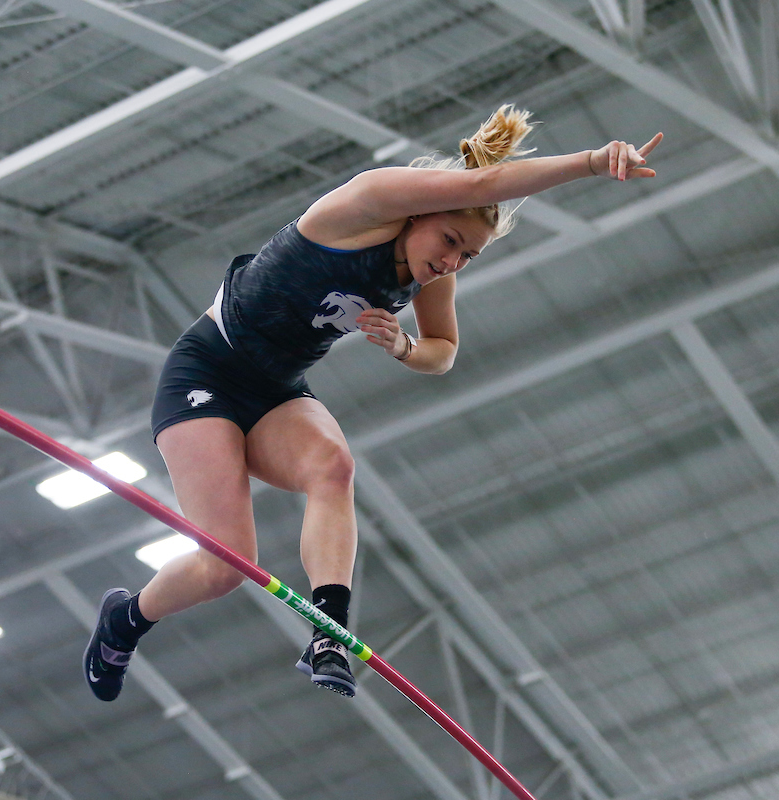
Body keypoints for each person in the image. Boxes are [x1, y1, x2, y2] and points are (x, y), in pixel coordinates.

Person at [83, 105, 663, 701]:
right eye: (450, 241)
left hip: (278, 389)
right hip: (207, 370)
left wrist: (406, 346)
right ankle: (125, 621)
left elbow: (444, 351)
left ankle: (327, 631)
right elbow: (481, 184)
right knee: (226, 567)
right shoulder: (368, 201)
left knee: (333, 467)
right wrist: (594, 162)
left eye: (469, 256)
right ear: (423, 209)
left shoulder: (435, 272)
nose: (452, 261)